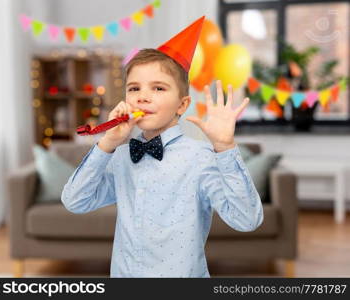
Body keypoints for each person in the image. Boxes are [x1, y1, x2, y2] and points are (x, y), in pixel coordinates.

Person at [61, 16, 263, 278]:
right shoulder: (120, 157)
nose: (143, 96)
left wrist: (225, 147)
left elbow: (246, 220)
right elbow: (74, 201)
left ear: (182, 105)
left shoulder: (200, 158)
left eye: (158, 88)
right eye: (134, 88)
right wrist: (107, 142)